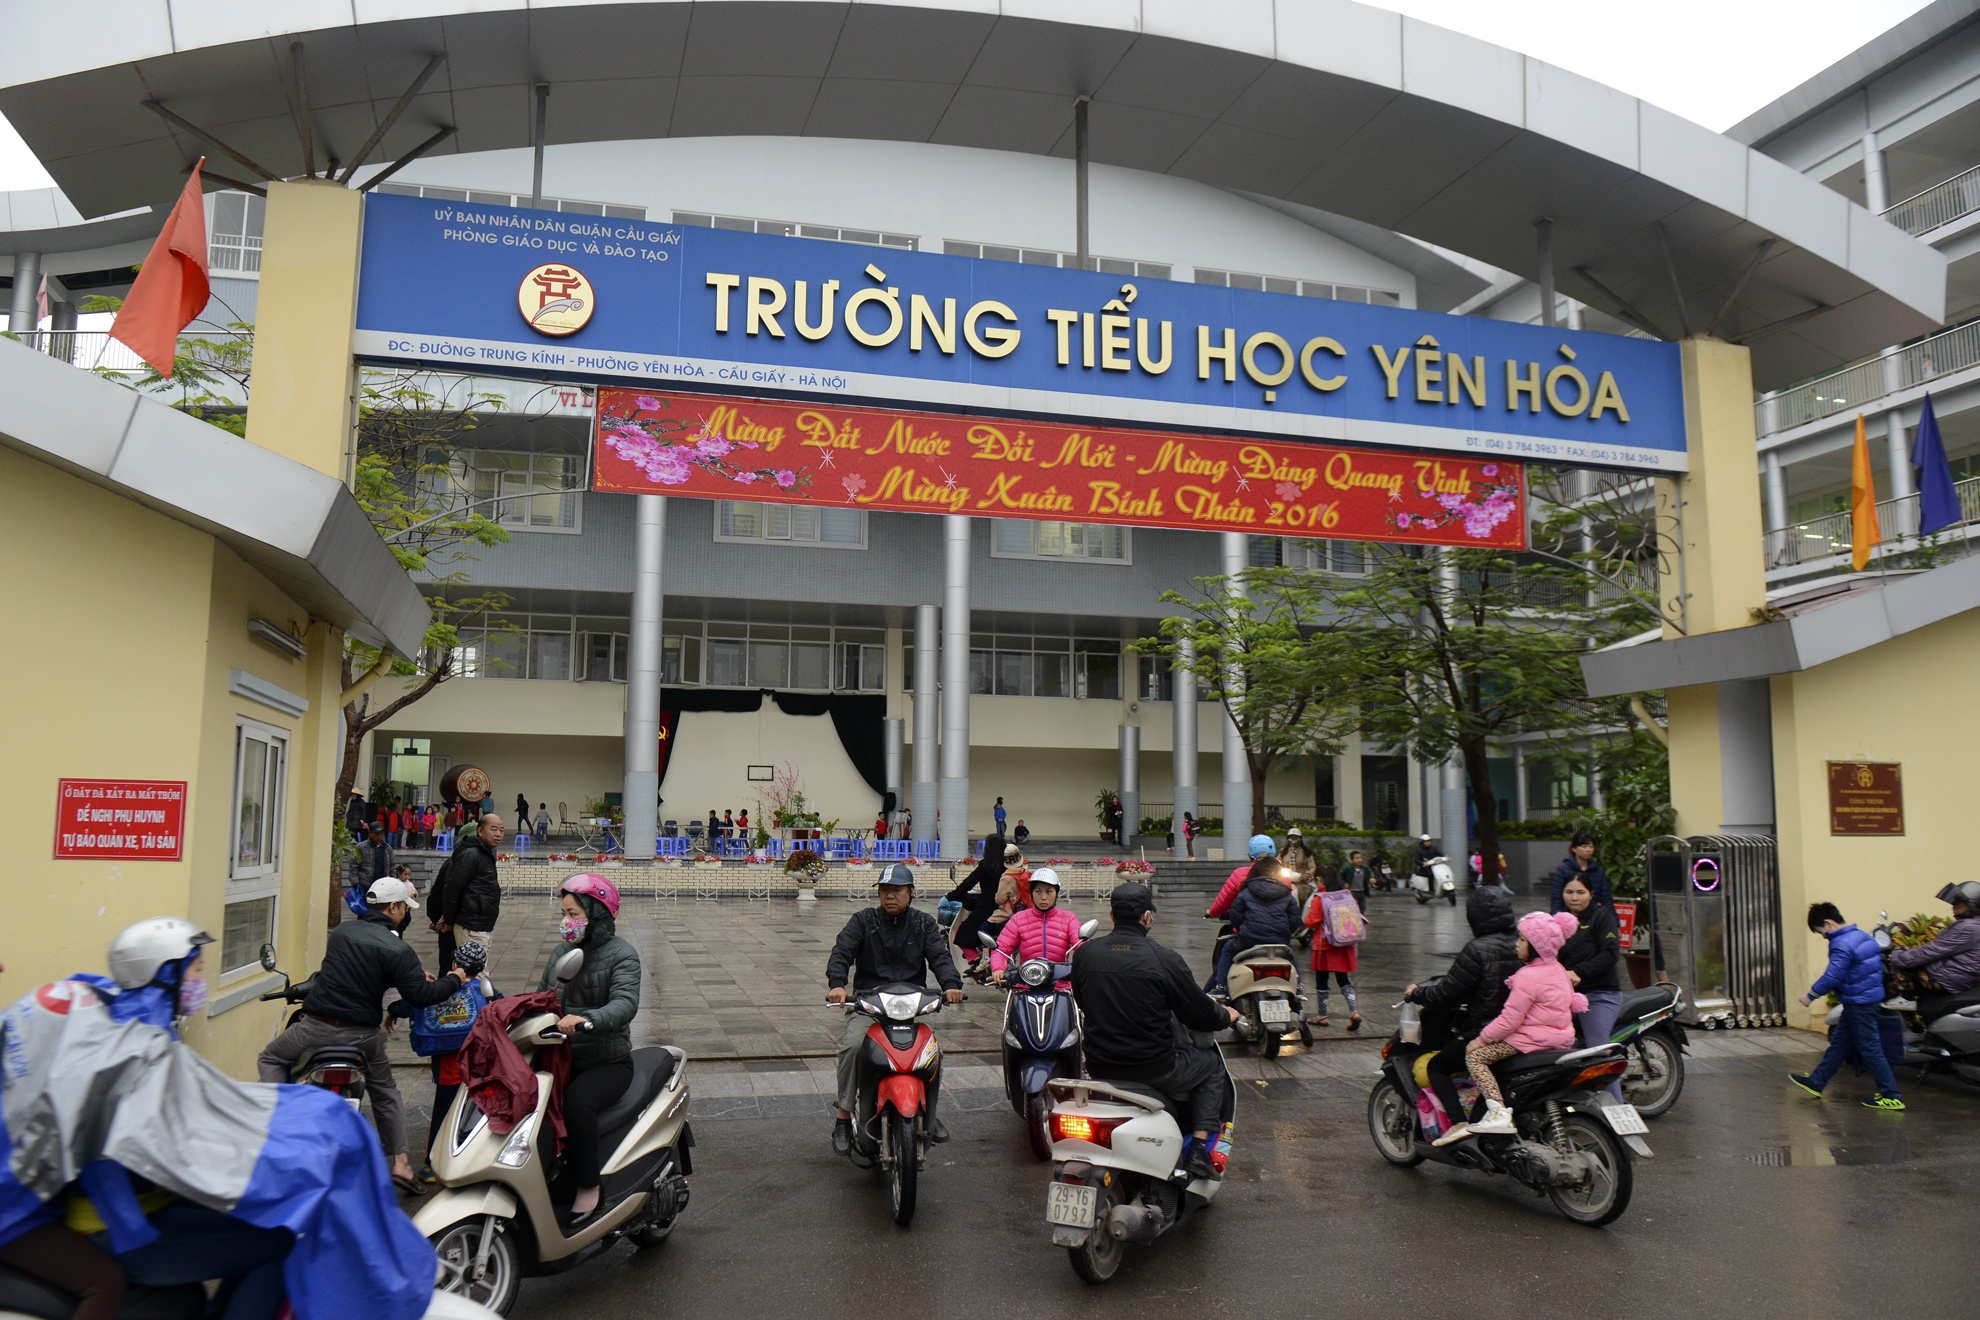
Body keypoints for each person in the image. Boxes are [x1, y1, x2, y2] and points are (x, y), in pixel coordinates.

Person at [258, 878, 466, 1189]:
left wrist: (409, 975)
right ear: (393, 907)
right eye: (404, 908)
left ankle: (274, 1131)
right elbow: (422, 995)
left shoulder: (342, 934)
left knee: (270, 1058)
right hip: (361, 1038)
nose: (405, 913)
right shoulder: (398, 950)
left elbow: (355, 968)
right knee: (385, 1091)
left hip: (313, 1029)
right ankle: (401, 1164)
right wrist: (456, 978)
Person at [1070, 883, 1240, 1180]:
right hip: (1153, 1068)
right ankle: (1199, 1150)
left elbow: (1081, 999)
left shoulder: (1086, 954)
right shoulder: (1164, 958)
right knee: (1212, 1066)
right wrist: (1226, 1015)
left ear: (1112, 914)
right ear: (1147, 917)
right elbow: (1196, 1011)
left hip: (1098, 1066)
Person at [826, 863, 964, 1153]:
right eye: (885, 890)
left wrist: (951, 985)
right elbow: (842, 952)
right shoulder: (863, 921)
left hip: (911, 1009)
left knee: (932, 1053)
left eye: (897, 890)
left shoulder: (924, 924)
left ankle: (929, 1111)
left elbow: (940, 957)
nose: (890, 896)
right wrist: (837, 984)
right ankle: (843, 1116)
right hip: (869, 1008)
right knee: (853, 1047)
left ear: (911, 892)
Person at [539, 874, 642, 1218]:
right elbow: (542, 997)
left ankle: (588, 1185)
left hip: (607, 1062)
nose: (566, 922)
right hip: (563, 1057)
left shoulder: (622, 955)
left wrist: (588, 1019)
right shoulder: (560, 953)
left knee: (575, 1103)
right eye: (564, 914)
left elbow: (625, 1003)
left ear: (596, 913)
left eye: (573, 914)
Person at [1434, 911, 1585, 1144]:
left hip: (1530, 1040)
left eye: (1523, 940)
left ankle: (1498, 1112)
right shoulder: (1558, 969)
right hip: (1561, 1040)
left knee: (1475, 1057)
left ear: (1536, 946)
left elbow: (1509, 1020)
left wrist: (1481, 1040)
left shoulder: (1527, 976)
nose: (1516, 944)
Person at [1403, 886, 1522, 1137]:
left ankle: (1458, 1124)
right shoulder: (1522, 944)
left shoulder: (1477, 949)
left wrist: (1417, 993)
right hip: (1521, 1032)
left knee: (1437, 1067)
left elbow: (1446, 992)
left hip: (1485, 1031)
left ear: (1474, 916)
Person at [1790, 903, 1905, 1110]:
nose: (1824, 937)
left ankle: (1891, 1095)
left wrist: (1810, 996)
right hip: (1865, 1001)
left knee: (1871, 1049)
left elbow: (1832, 976)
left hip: (1859, 1004)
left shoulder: (1841, 944)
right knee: (1840, 1044)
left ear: (1828, 923)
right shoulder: (1862, 936)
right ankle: (1817, 1081)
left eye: (1822, 932)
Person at [1559, 875, 1624, 1100]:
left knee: (1598, 1055)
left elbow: (1610, 953)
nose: (1574, 898)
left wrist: (1579, 972)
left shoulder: (1601, 917)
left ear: (1591, 894)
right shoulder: (1559, 920)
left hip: (1600, 995)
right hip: (1566, 996)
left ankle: (1616, 1110)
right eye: (1569, 892)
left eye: (1580, 892)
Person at [1203, 834, 1282, 992]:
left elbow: (1225, 903)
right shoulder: (1282, 878)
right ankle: (1298, 990)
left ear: (1251, 855)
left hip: (1248, 937)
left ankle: (1217, 988)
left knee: (1226, 953)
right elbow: (1293, 913)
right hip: (1279, 937)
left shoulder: (1241, 877)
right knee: (1291, 958)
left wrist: (1212, 912)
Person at [1890, 882, 1980, 1017]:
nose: (1954, 906)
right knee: (1908, 956)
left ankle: (1907, 999)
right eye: (1954, 903)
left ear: (1973, 904)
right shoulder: (1974, 926)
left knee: (1903, 961)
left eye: (1958, 903)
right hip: (1957, 979)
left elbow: (1931, 951)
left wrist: (1897, 957)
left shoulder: (1968, 928)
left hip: (1945, 980)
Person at [431, 811, 504, 975]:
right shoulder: (471, 854)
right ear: (480, 831)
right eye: (493, 829)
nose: (498, 834)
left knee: (475, 973)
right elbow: (451, 890)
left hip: (481, 924)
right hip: (472, 926)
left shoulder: (485, 853)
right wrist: (448, 920)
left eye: (501, 830)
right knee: (476, 976)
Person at [1215, 855, 1299, 996]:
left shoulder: (1246, 891)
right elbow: (1295, 920)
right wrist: (1284, 932)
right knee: (1291, 956)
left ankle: (1220, 986)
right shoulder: (1286, 894)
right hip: (1280, 941)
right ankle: (1299, 986)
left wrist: (1243, 929)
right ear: (1273, 874)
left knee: (1228, 949)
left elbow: (1235, 916)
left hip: (1249, 941)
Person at [991, 868, 1081, 984]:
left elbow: (1081, 946)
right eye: (1038, 891)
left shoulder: (1068, 918)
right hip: (1026, 984)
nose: (1043, 897)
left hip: (1060, 985)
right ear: (1032, 894)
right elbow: (1001, 949)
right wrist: (998, 968)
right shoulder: (1018, 919)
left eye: (1049, 891)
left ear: (1056, 893)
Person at [1304, 870, 1361, 1031]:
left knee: (1322, 979)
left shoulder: (1320, 898)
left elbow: (1311, 921)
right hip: (1343, 943)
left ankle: (1322, 1016)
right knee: (1343, 979)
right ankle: (1354, 1011)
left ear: (1320, 879)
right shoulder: (1345, 895)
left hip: (1325, 945)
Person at [944, 831, 1007, 967]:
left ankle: (975, 959)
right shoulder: (1008, 867)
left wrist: (952, 896)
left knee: (961, 933)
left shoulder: (985, 866)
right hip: (1005, 909)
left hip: (986, 908)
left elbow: (968, 883)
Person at [1549, 831, 1616, 913]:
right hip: (1569, 915)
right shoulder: (1563, 869)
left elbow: (1606, 899)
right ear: (1574, 848)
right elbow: (1556, 897)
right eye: (1584, 846)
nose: (1588, 850)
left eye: (1591, 846)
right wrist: (1557, 916)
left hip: (1591, 915)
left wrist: (1613, 919)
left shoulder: (1598, 871)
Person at [1340, 848, 1375, 913]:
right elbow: (1340, 876)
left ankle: (1361, 919)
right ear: (1352, 860)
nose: (1359, 860)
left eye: (1360, 858)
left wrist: (1372, 877)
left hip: (1362, 892)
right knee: (1353, 909)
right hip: (1352, 892)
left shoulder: (1365, 868)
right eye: (1356, 858)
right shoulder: (1347, 868)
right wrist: (1344, 884)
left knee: (1362, 908)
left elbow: (1370, 872)